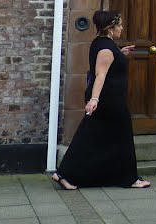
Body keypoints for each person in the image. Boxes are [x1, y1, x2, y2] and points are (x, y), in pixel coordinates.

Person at [52, 10, 150, 190]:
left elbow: (108, 65)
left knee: (92, 136)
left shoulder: (104, 44)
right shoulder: (105, 48)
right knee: (122, 136)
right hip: (109, 100)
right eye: (119, 25)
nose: (122, 28)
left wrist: (120, 53)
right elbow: (100, 74)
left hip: (109, 99)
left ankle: (63, 174)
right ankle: (130, 179)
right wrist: (94, 99)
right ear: (110, 28)